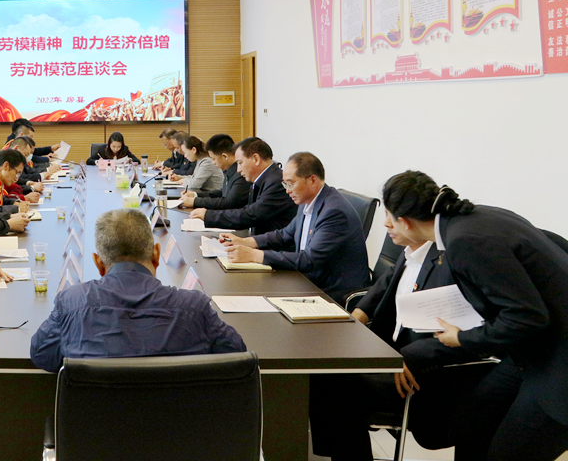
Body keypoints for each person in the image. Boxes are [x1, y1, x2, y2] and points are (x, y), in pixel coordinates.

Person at [377, 172, 568, 461]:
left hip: (557, 364)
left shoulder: (464, 241)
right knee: (473, 421)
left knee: (507, 453)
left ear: (405, 221)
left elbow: (528, 317)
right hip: (529, 352)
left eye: (389, 216)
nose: (385, 224)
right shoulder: (478, 216)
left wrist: (461, 337)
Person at [309, 227, 484, 459]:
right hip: (389, 353)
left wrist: (412, 356)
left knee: (334, 383)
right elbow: (388, 280)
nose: (387, 224)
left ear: (412, 220)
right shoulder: (410, 252)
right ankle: (332, 451)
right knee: (322, 368)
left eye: (394, 217)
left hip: (417, 374)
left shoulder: (447, 264)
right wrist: (359, 313)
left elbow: (461, 333)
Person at [30, 208, 246, 372]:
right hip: (176, 419)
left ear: (98, 263)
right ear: (156, 254)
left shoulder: (71, 302)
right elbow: (237, 354)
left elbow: (42, 355)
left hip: (95, 419)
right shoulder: (194, 308)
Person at [221, 152, 369, 303]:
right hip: (308, 281)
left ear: (312, 180)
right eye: (285, 184)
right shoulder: (307, 201)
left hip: (331, 294)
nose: (287, 190)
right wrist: (246, 242)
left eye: (291, 184)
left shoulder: (334, 212)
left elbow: (309, 260)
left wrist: (254, 255)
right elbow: (284, 235)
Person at [190, 137, 296, 235]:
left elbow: (252, 215)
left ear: (256, 159)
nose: (238, 169)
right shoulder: (264, 178)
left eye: (240, 163)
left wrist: (209, 215)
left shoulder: (276, 182)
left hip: (271, 245)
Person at [181, 134, 251, 209]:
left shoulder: (241, 173)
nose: (213, 163)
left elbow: (229, 203)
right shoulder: (229, 170)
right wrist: (196, 195)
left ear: (225, 156)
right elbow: (222, 193)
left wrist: (195, 202)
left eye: (214, 159)